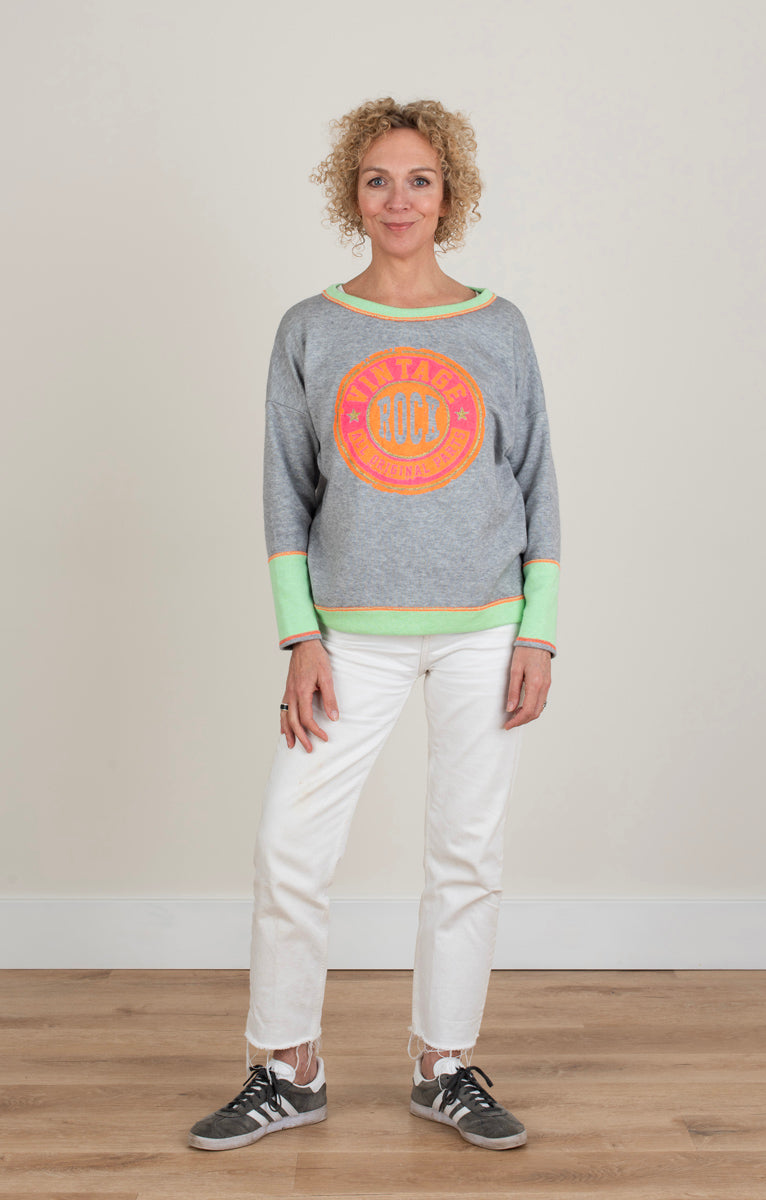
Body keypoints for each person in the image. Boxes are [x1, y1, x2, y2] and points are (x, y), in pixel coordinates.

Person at [188, 96, 561, 1154]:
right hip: (348, 632)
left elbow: (537, 481)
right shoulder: (310, 328)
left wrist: (536, 632)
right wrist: (298, 636)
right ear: (349, 192)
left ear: (450, 195)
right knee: (289, 846)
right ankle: (286, 1068)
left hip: (484, 626)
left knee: (466, 850)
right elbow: (284, 491)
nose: (399, 199)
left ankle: (443, 1067)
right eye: (378, 179)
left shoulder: (497, 326)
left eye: (420, 180)